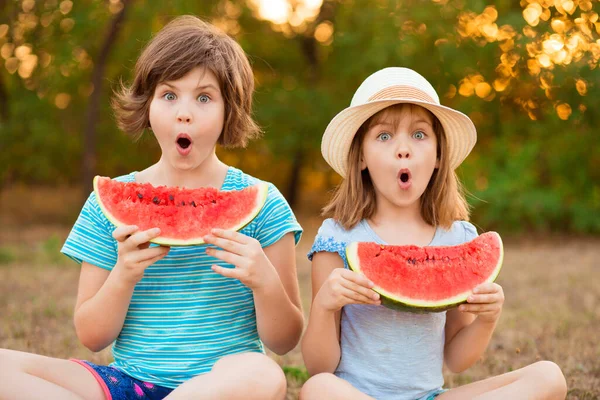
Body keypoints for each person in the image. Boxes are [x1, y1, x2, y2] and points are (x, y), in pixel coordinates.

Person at [0, 16, 303, 400]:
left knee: (264, 374)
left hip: (224, 386)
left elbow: (284, 339)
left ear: (230, 110)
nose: (184, 112)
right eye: (169, 95)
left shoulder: (264, 203)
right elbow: (92, 337)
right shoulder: (105, 205)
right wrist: (123, 274)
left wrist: (265, 281)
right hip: (128, 384)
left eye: (204, 97)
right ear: (147, 106)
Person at [299, 67, 567, 400]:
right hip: (356, 395)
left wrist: (487, 320)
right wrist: (324, 307)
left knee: (549, 377)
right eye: (384, 136)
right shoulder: (337, 237)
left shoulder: (458, 238)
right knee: (318, 389)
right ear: (362, 157)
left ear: (439, 155)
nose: (403, 149)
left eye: (419, 134)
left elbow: (455, 360)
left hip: (429, 397)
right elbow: (319, 367)